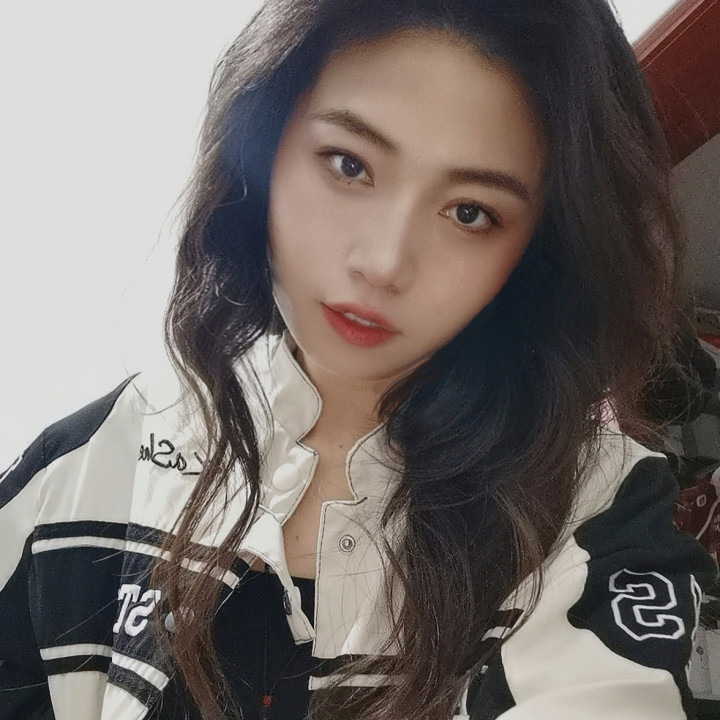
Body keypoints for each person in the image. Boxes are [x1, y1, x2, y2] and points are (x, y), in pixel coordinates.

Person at [0, 0, 716, 718]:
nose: (383, 262)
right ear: (264, 144)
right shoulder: (87, 466)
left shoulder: (597, 515)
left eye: (470, 212)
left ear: (537, 247)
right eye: (349, 165)